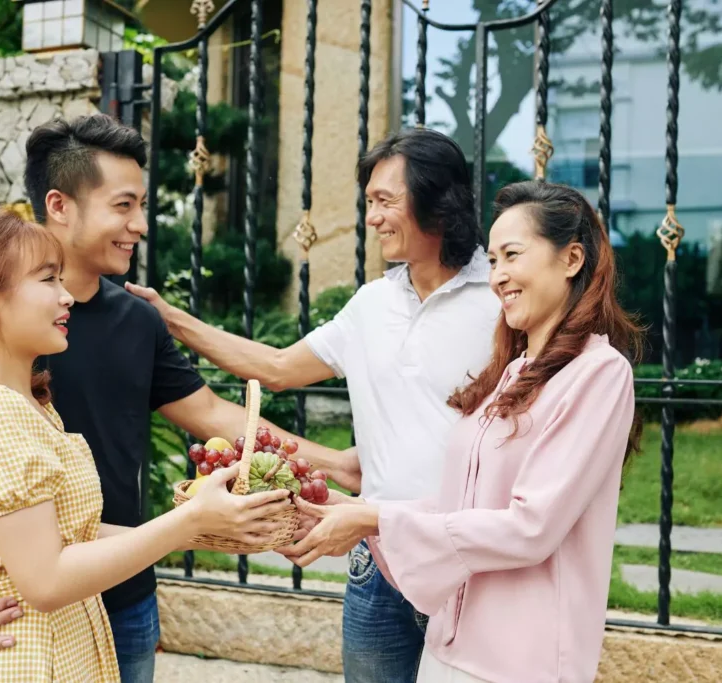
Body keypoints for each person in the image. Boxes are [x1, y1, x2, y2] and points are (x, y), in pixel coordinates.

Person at [0, 114, 353, 683]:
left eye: (142, 205)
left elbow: (215, 415)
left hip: (122, 600)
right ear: (61, 204)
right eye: (123, 206)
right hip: (22, 614)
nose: (139, 224)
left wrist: (335, 463)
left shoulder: (135, 320)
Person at [126, 127, 500, 683]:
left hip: (468, 562)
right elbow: (276, 369)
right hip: (378, 564)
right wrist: (172, 319)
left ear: (436, 199)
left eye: (383, 201)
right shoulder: (372, 304)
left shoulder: (500, 297)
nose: (371, 217)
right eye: (368, 202)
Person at [288, 181, 643, 683]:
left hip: (521, 662)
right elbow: (463, 508)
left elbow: (530, 528)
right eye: (493, 260)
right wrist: (365, 516)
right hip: (451, 644)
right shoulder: (509, 373)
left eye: (512, 256)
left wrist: (379, 522)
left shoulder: (598, 374)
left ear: (572, 259)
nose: (498, 277)